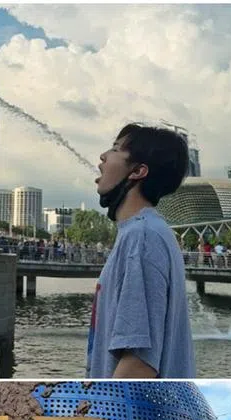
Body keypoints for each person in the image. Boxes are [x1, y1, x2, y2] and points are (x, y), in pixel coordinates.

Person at [87, 123, 194, 379]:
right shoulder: (143, 233)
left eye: (115, 149)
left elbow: (138, 365)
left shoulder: (142, 237)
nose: (103, 156)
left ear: (138, 171)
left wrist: (92, 415)